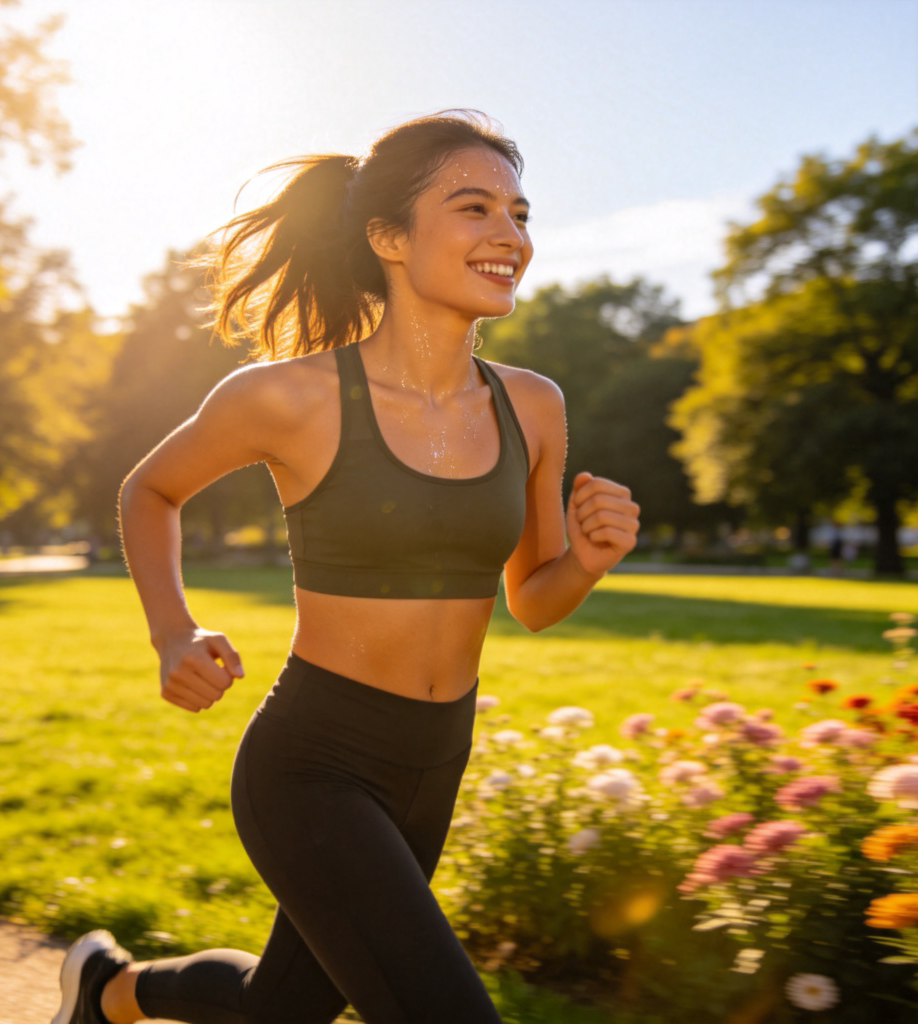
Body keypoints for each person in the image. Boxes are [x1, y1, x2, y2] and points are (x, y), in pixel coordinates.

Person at [52, 110, 640, 1024]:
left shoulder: (534, 406)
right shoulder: (291, 396)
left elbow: (532, 598)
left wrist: (592, 560)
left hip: (436, 760)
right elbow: (150, 490)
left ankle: (107, 991)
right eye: (475, 207)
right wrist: (173, 632)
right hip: (313, 762)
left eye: (521, 214)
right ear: (387, 237)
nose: (509, 236)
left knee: (277, 1007)